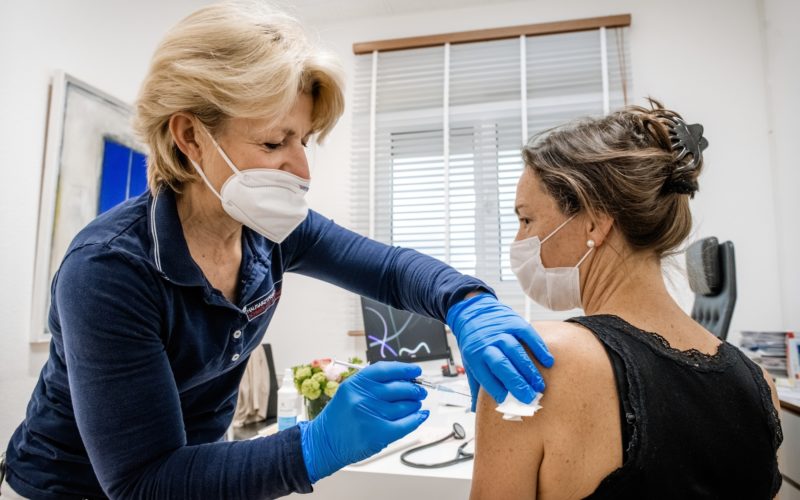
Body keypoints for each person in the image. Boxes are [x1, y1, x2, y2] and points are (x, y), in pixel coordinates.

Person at [1, 2, 554, 499]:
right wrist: (313, 447)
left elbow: (386, 270)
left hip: (196, 475)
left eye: (303, 141)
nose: (302, 168)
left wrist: (467, 302)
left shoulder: (268, 231)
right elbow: (142, 481)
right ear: (190, 136)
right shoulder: (109, 272)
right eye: (273, 142)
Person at [470, 100, 783, 499]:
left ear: (595, 222)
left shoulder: (536, 362)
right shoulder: (760, 385)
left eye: (527, 219)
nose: (519, 242)